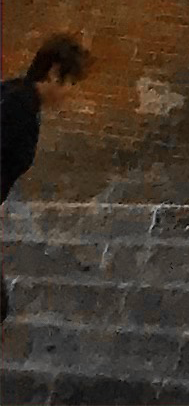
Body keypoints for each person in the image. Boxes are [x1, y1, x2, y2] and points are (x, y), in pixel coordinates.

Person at [2, 41, 88, 324]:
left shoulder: (18, 97)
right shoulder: (19, 105)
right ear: (53, 73)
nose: (70, 93)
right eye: (70, 83)